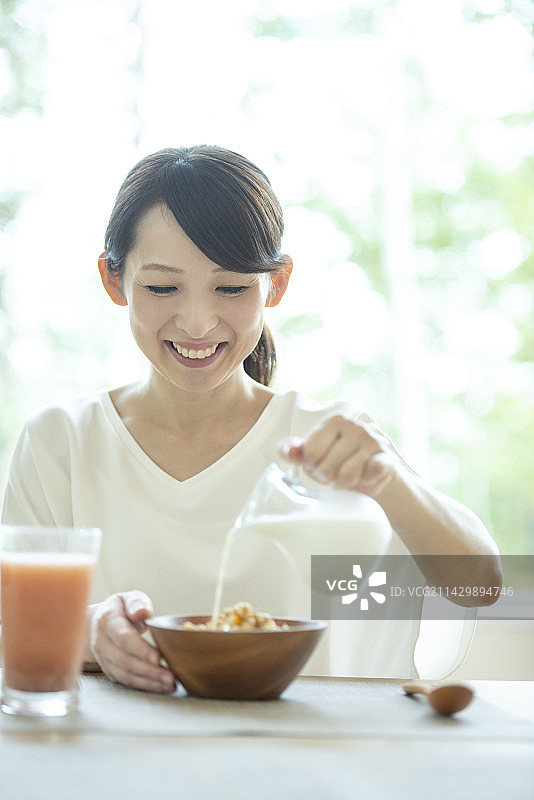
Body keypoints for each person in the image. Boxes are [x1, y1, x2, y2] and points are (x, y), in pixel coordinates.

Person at [1, 145, 502, 693]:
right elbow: (13, 628)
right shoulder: (61, 443)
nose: (196, 323)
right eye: (163, 287)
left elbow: (480, 587)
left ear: (277, 283)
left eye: (232, 287)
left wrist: (391, 481)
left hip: (313, 764)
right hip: (123, 764)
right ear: (114, 281)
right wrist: (93, 632)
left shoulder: (330, 442)